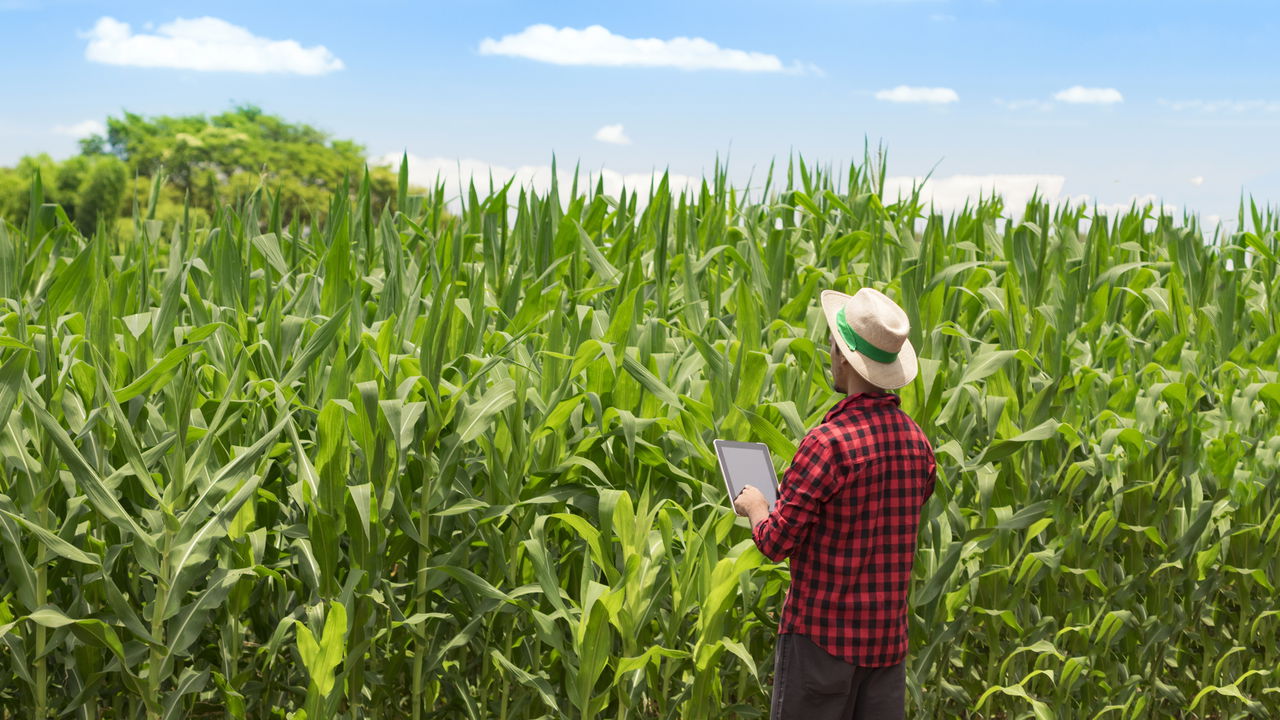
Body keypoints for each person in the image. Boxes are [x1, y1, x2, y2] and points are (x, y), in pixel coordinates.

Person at [733, 287, 938, 720]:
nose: (829, 351)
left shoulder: (827, 445)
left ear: (845, 358)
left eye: (832, 343)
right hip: (886, 650)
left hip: (821, 646)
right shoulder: (918, 445)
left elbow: (775, 542)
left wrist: (755, 505)